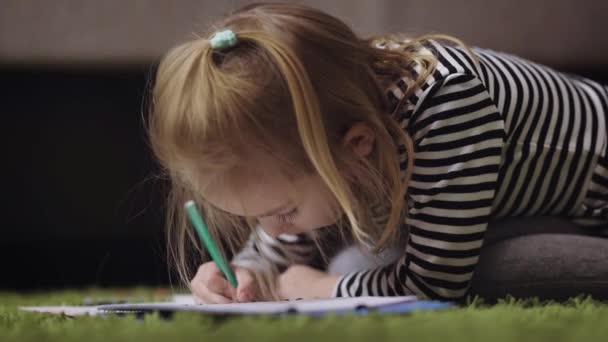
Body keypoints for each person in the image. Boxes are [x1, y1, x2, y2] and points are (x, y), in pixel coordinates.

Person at [147, 2, 608, 304]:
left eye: (283, 213)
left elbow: (434, 285)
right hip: (523, 210)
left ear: (357, 147)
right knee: (357, 265)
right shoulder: (337, 105)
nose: (271, 232)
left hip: (594, 209)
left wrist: (321, 289)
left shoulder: (448, 102)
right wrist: (248, 272)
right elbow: (284, 244)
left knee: (488, 276)